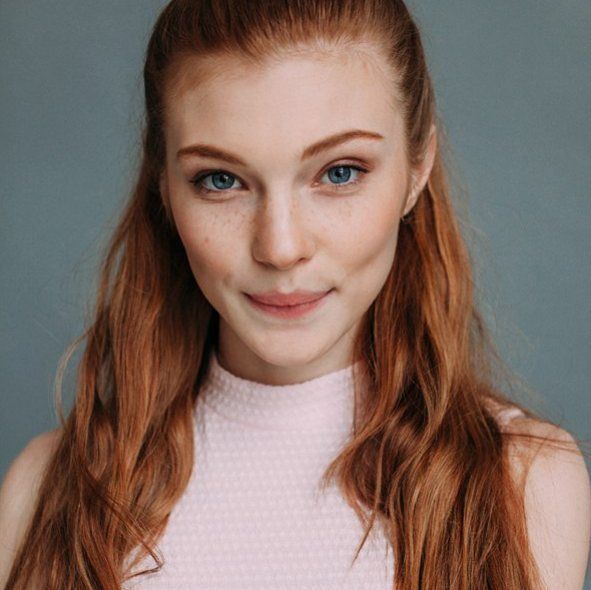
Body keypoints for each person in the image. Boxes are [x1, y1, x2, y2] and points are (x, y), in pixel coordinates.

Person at [1, 0, 590, 588]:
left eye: (340, 172)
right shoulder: (44, 491)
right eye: (221, 180)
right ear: (164, 188)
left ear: (417, 170)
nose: (281, 248)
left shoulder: (525, 485)